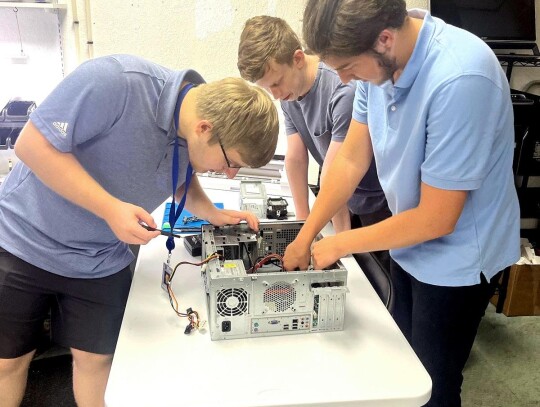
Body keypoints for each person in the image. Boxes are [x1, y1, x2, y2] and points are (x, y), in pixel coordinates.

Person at [0, 54, 279, 407]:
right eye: (230, 163)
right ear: (204, 128)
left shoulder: (192, 125)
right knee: (8, 362)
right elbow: (31, 145)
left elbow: (179, 171)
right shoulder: (115, 82)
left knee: (96, 362)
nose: (230, 175)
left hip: (98, 258)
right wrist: (109, 208)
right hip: (24, 241)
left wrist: (211, 213)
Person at [284, 1, 520, 406]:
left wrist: (339, 244)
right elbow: (351, 160)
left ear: (385, 40)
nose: (340, 78)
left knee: (433, 383)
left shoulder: (460, 78)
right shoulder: (377, 64)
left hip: (459, 259)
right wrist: (305, 234)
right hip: (409, 239)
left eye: (348, 68)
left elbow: (438, 218)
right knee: (402, 370)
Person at [238, 16, 390, 235]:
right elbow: (296, 158)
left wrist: (340, 243)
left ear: (298, 58)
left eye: (276, 83)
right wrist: (302, 224)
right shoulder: (290, 93)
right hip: (341, 198)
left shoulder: (343, 91)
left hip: (376, 203)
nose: (275, 95)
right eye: (267, 89)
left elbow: (335, 173)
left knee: (372, 266)